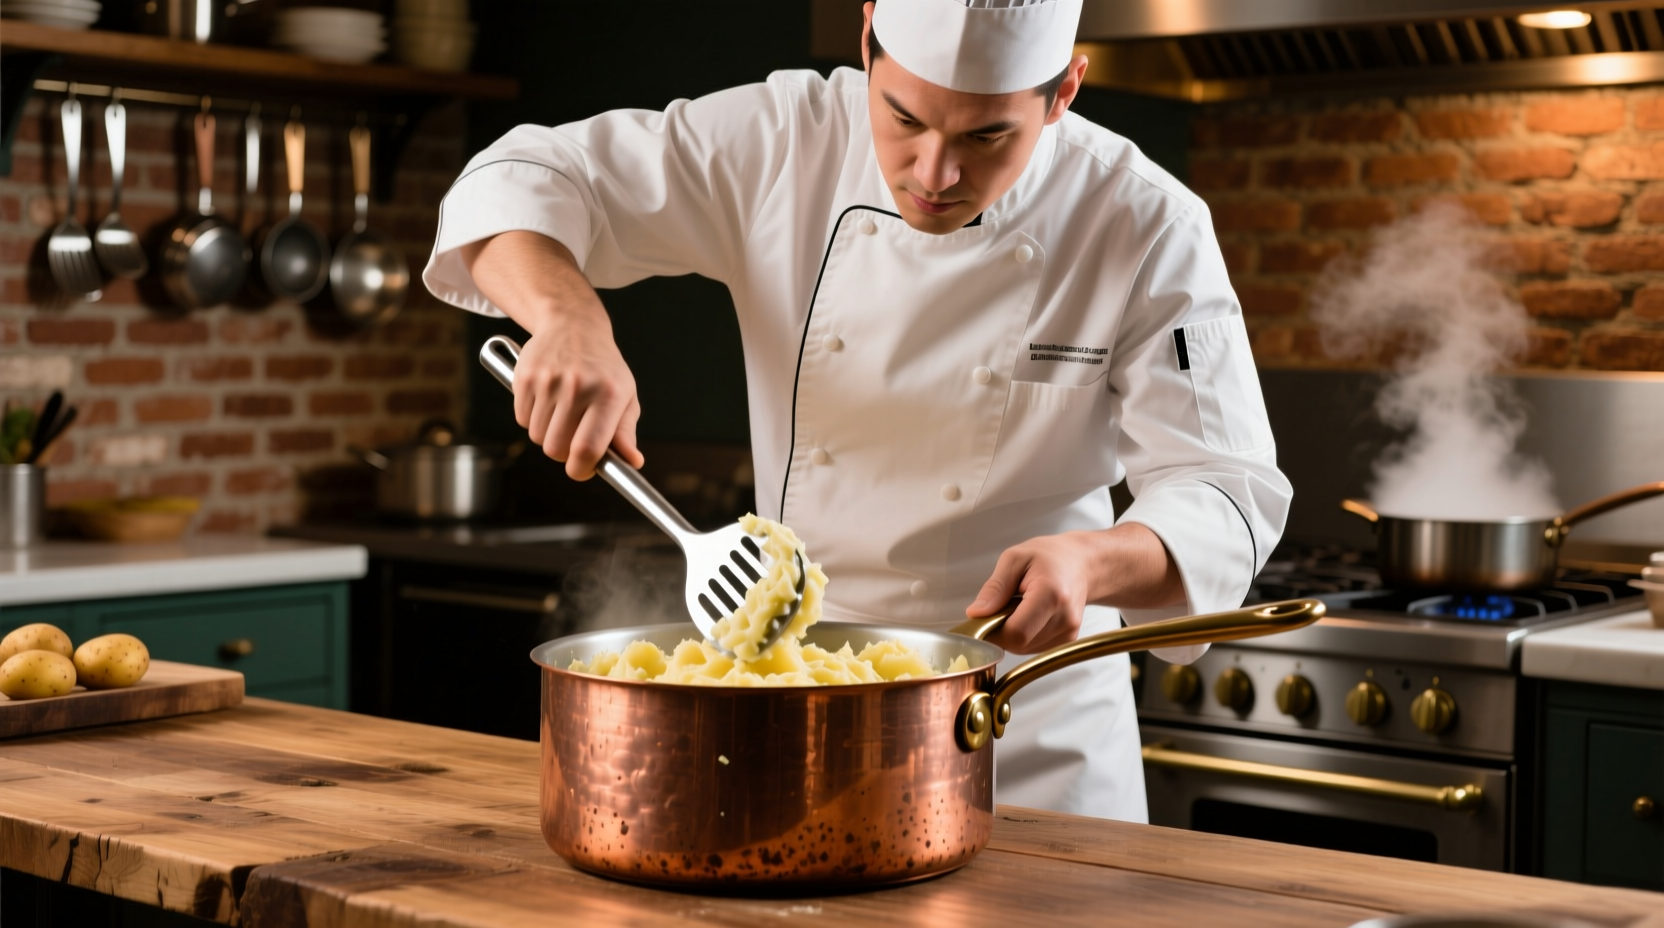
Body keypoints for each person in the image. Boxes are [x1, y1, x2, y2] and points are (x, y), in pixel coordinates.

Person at [423, 0, 1290, 821]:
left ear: (1064, 90)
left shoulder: (1144, 221)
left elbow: (1226, 490)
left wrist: (1094, 563)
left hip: (1026, 728)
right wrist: (568, 318)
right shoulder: (782, 140)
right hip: (795, 706)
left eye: (988, 135)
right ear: (867, 36)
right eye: (904, 118)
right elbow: (518, 177)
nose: (935, 173)